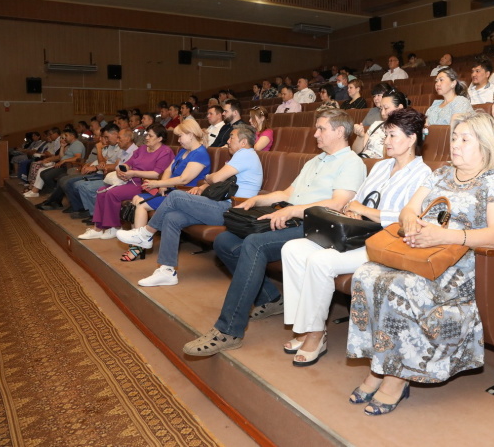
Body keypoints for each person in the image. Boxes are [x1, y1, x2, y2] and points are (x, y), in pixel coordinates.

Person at [346, 110, 494, 415]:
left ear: (486, 145)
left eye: (465, 139)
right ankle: (379, 364)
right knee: (366, 275)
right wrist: (412, 224)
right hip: (422, 252)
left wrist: (445, 237)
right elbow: (408, 210)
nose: (456, 144)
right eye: (454, 137)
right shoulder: (439, 175)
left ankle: (396, 378)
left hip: (460, 266)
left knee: (399, 286)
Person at [183, 109, 366, 357]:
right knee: (225, 240)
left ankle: (228, 330)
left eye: (321, 128)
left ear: (340, 131)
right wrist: (257, 200)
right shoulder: (314, 161)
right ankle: (271, 298)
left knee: (254, 244)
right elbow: (287, 194)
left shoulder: (351, 162)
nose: (315, 133)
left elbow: (338, 204)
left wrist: (292, 212)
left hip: (317, 226)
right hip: (291, 216)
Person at [281, 109, 431, 366]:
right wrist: (354, 208)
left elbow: (408, 218)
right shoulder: (382, 166)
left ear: (412, 138)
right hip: (356, 233)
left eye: (393, 135)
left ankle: (316, 334)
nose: (387, 141)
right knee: (292, 249)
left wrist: (364, 211)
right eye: (386, 135)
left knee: (320, 262)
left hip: (385, 241)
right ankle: (305, 326)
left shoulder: (423, 174)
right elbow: (357, 198)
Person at [119, 125, 264, 284]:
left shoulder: (245, 154)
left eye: (231, 138)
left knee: (175, 196)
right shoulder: (243, 155)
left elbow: (216, 178)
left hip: (230, 210)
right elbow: (222, 182)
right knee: (172, 218)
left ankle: (145, 234)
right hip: (222, 204)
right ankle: (167, 271)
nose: (227, 141)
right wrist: (204, 185)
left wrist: (208, 177)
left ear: (243, 142)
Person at [78, 124, 174, 240]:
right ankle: (97, 228)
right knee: (101, 191)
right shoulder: (142, 148)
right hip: (130, 180)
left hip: (146, 184)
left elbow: (156, 174)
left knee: (112, 193)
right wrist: (121, 169)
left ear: (160, 138)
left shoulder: (165, 152)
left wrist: (133, 173)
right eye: (147, 135)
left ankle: (115, 227)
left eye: (150, 135)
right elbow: (129, 162)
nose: (146, 138)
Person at [124, 118, 211, 244]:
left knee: (141, 204)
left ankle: (139, 244)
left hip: (185, 195)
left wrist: (158, 183)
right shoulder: (183, 151)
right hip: (172, 191)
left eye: (180, 136)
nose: (178, 140)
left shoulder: (200, 153)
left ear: (191, 135)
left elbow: (184, 179)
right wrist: (163, 185)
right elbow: (169, 169)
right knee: (136, 198)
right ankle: (138, 242)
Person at [72, 128, 137, 220]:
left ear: (128, 138)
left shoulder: (135, 152)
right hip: (114, 178)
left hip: (124, 182)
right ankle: (94, 214)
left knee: (87, 187)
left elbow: (127, 171)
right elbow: (116, 166)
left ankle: (97, 216)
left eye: (119, 138)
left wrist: (107, 169)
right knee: (81, 186)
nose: (117, 140)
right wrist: (106, 168)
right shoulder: (122, 150)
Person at [23, 128, 85, 198]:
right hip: (63, 164)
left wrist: (64, 161)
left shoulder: (77, 144)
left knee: (46, 175)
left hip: (69, 166)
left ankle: (52, 191)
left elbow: (78, 157)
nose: (64, 138)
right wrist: (62, 147)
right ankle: (48, 190)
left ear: (72, 136)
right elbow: (61, 157)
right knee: (42, 173)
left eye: (66, 136)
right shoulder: (70, 145)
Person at [352, 90, 409, 158]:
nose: (382, 113)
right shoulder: (376, 125)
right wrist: (360, 137)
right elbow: (355, 152)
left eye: (386, 108)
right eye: (381, 109)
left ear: (400, 108)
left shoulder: (406, 130)